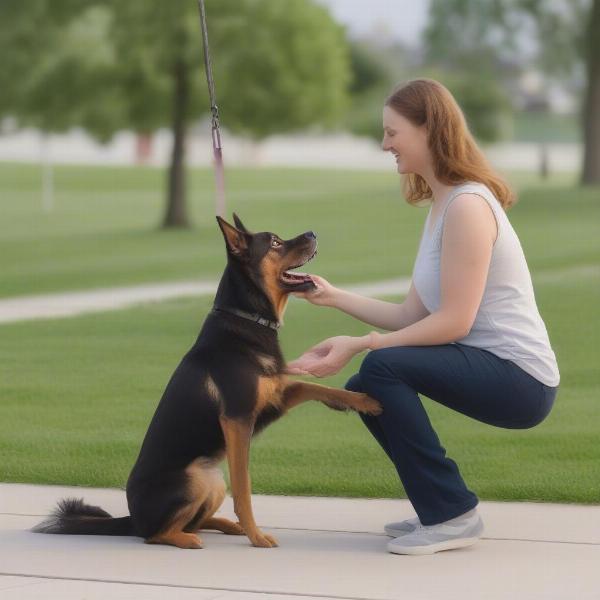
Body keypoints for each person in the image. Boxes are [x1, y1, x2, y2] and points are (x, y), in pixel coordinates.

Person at [285, 78, 560, 556]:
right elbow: (413, 314)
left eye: (393, 132)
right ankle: (439, 504)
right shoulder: (442, 205)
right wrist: (333, 297)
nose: (384, 144)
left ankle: (452, 513)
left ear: (428, 129)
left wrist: (361, 343)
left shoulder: (468, 206)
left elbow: (454, 322)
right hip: (486, 364)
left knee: (379, 367)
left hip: (522, 380)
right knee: (365, 389)